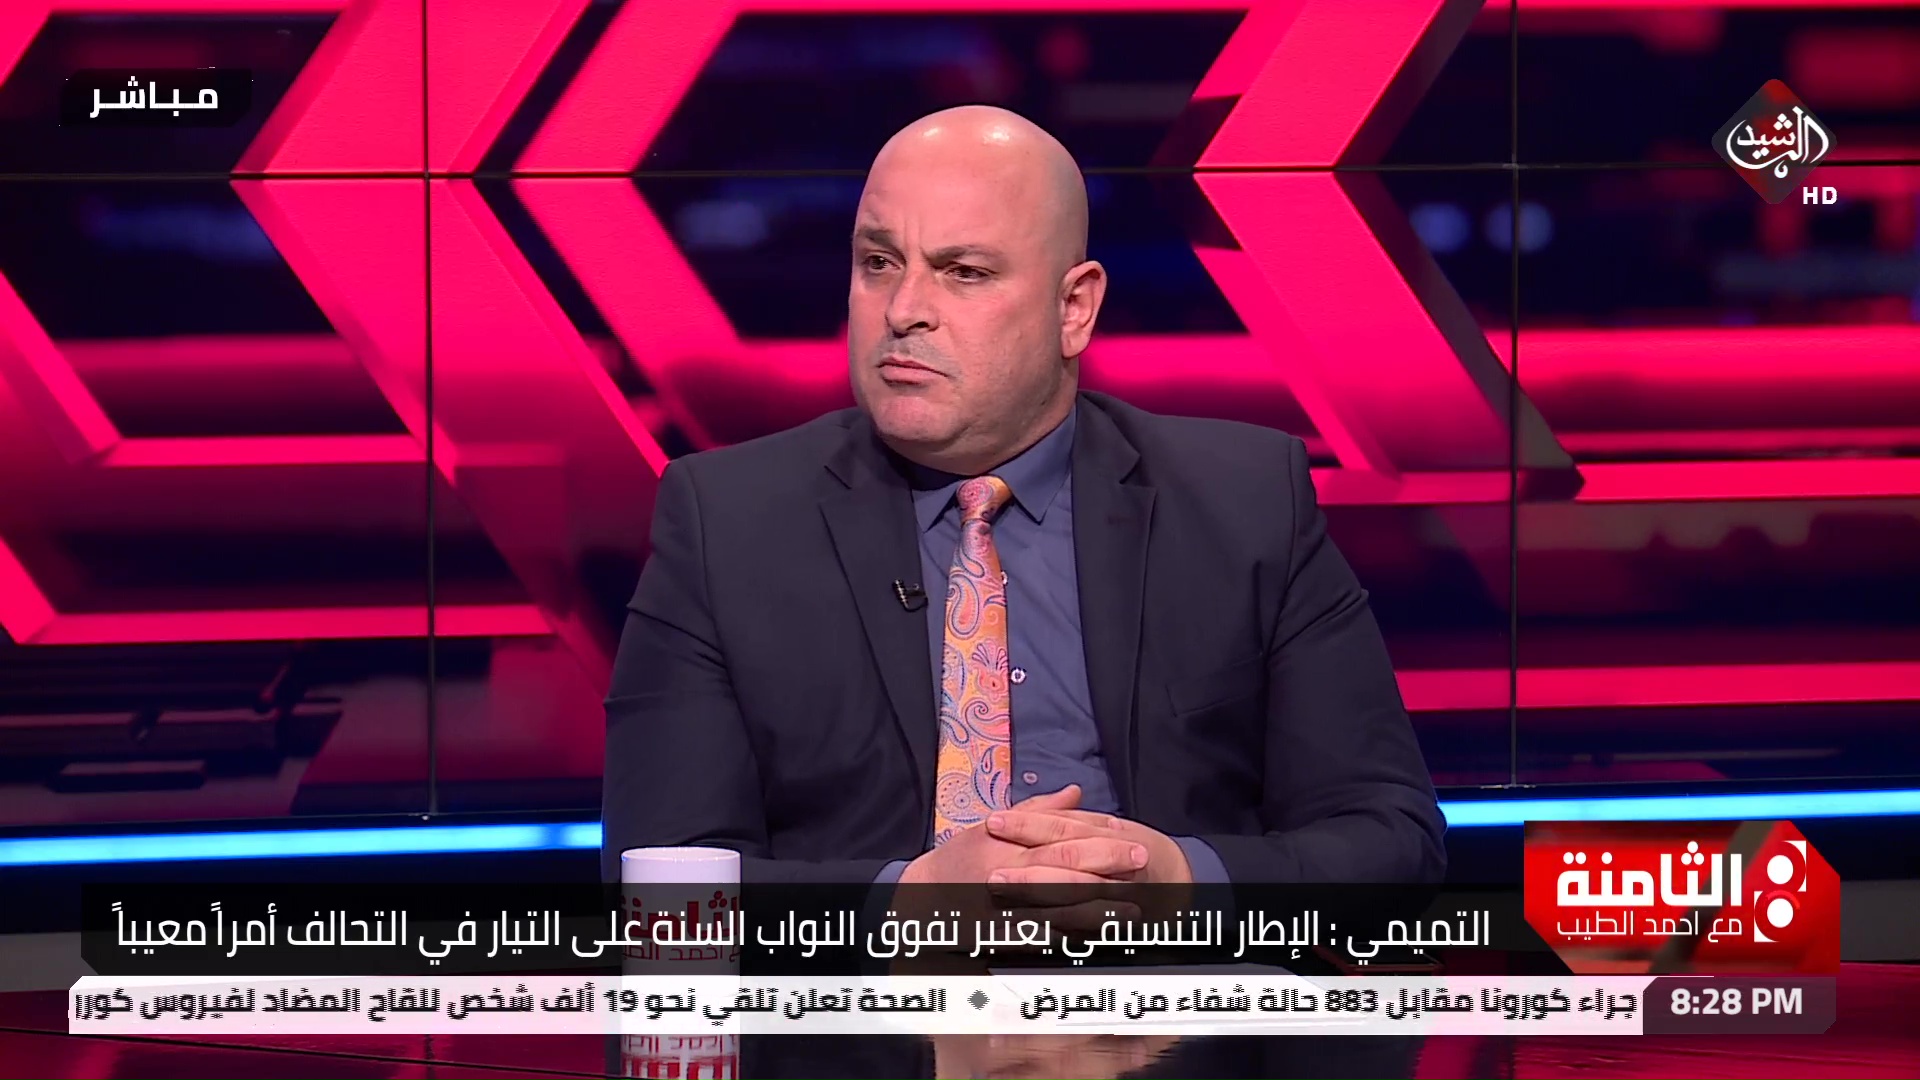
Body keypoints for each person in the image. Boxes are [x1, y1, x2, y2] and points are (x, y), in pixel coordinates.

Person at [602, 105, 1446, 887]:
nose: (903, 310)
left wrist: (1180, 879)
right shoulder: (726, 521)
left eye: (964, 272)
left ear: (1074, 308)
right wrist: (912, 898)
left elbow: (1392, 842)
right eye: (879, 263)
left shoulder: (1245, 500)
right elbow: (661, 889)